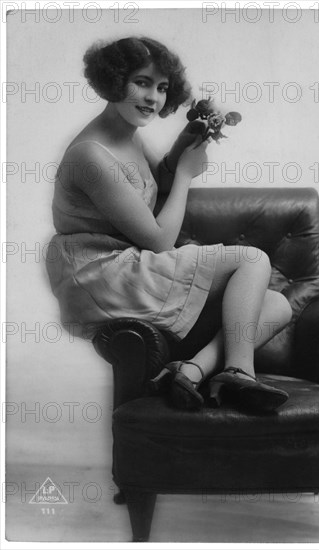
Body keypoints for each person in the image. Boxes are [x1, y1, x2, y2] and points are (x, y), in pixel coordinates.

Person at [46, 36, 293, 414]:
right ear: (113, 81)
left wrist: (179, 150)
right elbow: (160, 240)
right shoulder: (90, 155)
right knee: (252, 259)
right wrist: (186, 177)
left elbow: (154, 183)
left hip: (127, 263)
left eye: (162, 88)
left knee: (276, 305)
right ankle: (240, 371)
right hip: (101, 273)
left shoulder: (126, 135)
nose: (153, 98)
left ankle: (193, 370)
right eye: (142, 83)